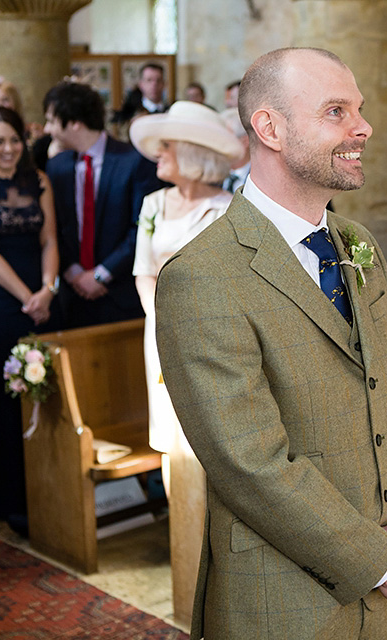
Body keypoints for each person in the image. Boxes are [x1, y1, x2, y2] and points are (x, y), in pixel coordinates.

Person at [154, 47, 387, 639]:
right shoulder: (202, 276)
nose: (364, 127)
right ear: (270, 127)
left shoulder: (358, 244)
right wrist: (379, 560)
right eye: (337, 111)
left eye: (358, 109)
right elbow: (249, 462)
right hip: (281, 597)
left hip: (383, 586)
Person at [129, 100, 241, 478]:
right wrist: (159, 318)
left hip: (208, 332)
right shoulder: (153, 204)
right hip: (158, 326)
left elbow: (229, 277)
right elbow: (144, 271)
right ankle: (179, 527)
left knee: (210, 432)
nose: (157, 154)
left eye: (167, 146)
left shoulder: (227, 208)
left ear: (191, 153)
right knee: (170, 433)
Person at [0, 106, 61, 534]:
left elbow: (49, 238)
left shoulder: (39, 180)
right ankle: (6, 495)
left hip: (41, 296)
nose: (8, 149)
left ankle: (45, 489)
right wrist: (27, 297)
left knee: (42, 393)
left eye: (14, 139)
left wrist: (47, 290)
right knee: (1, 398)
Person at [43, 81, 161, 328]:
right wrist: (73, 272)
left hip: (120, 295)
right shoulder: (57, 166)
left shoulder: (134, 161)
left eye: (52, 121)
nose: (47, 129)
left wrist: (101, 274)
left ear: (74, 122)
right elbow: (54, 226)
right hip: (72, 297)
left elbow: (142, 227)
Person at [219, 107, 251, 192]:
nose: (218, 144)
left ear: (245, 141)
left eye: (225, 138)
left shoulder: (260, 179)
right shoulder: (212, 175)